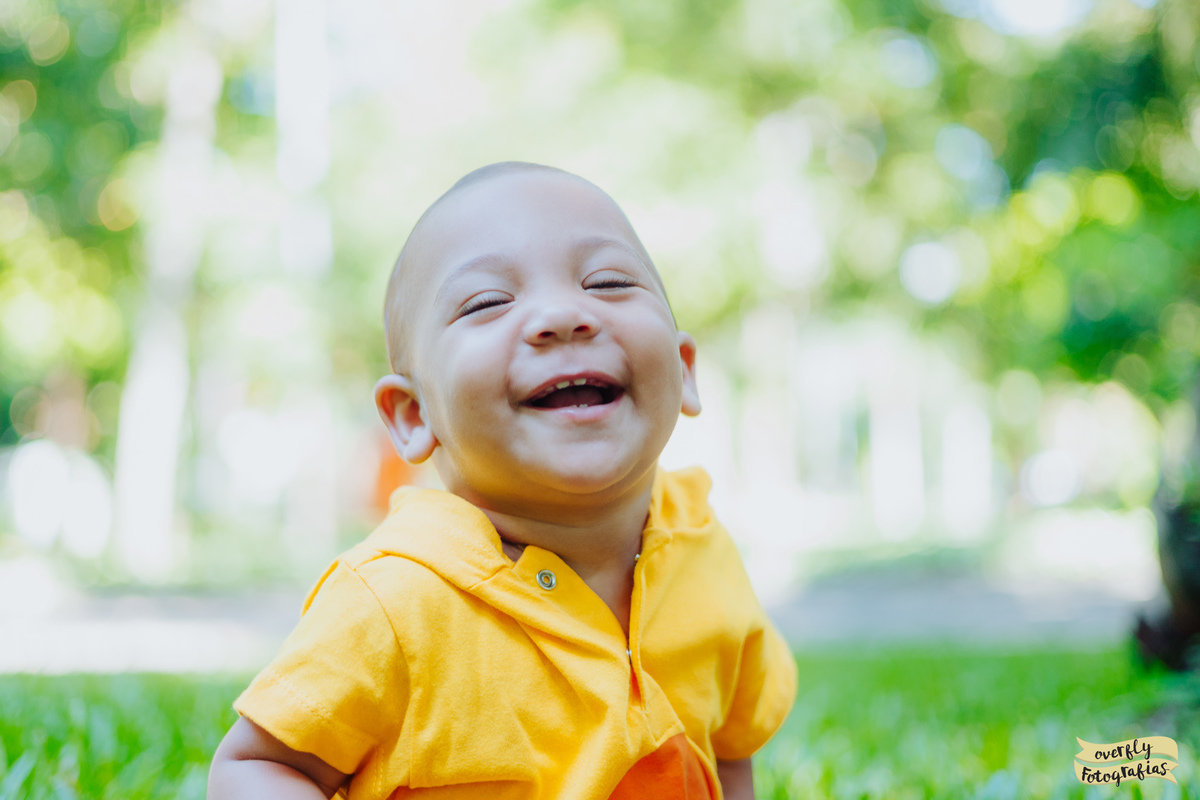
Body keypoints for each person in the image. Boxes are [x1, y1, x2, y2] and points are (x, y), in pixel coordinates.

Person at [207, 162, 797, 799]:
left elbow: (729, 752)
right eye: (488, 302)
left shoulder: (705, 548)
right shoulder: (397, 598)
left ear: (684, 369)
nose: (565, 315)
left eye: (607, 282)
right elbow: (258, 768)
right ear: (413, 415)